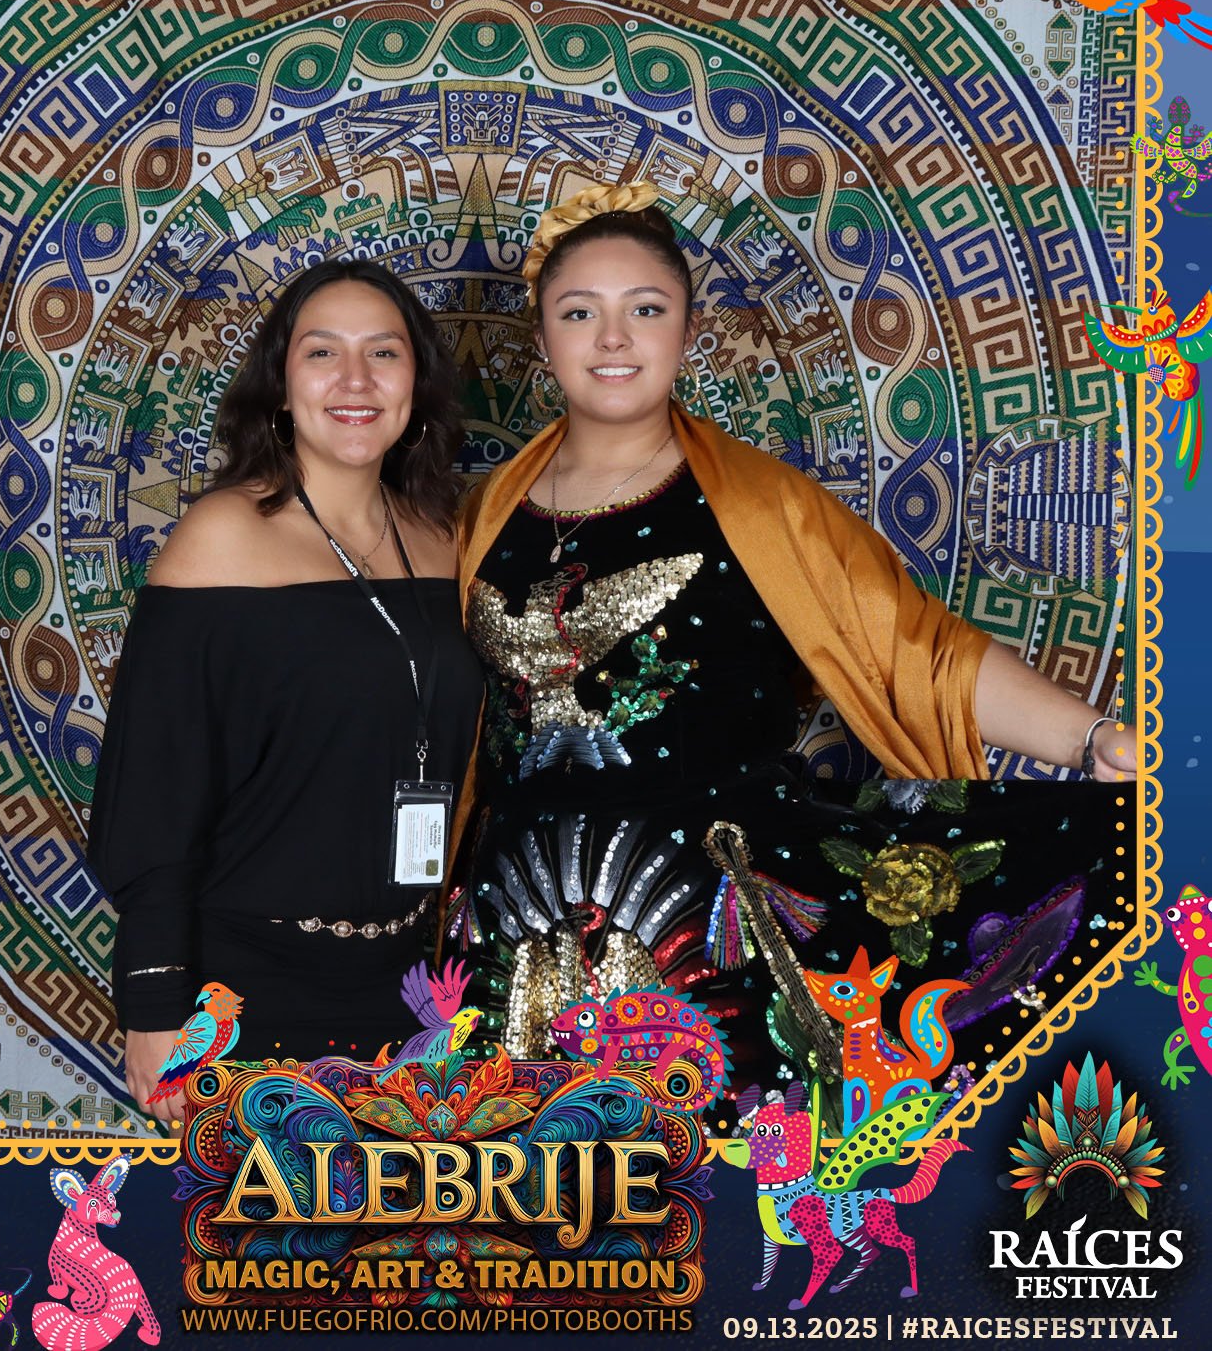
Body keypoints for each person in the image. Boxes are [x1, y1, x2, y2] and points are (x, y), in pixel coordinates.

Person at [442, 181, 1139, 1067]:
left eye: (645, 309)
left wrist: (1092, 739)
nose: (613, 338)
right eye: (580, 313)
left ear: (688, 332)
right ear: (543, 341)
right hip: (513, 916)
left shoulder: (764, 506)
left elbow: (921, 656)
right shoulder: (483, 516)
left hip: (706, 924)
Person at [87, 259, 482, 1125]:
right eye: (322, 352)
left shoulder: (443, 539)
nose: (355, 380)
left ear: (416, 384)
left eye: (383, 353)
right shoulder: (222, 536)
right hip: (245, 991)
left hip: (416, 992)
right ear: (280, 386)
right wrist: (153, 1000)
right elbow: (155, 783)